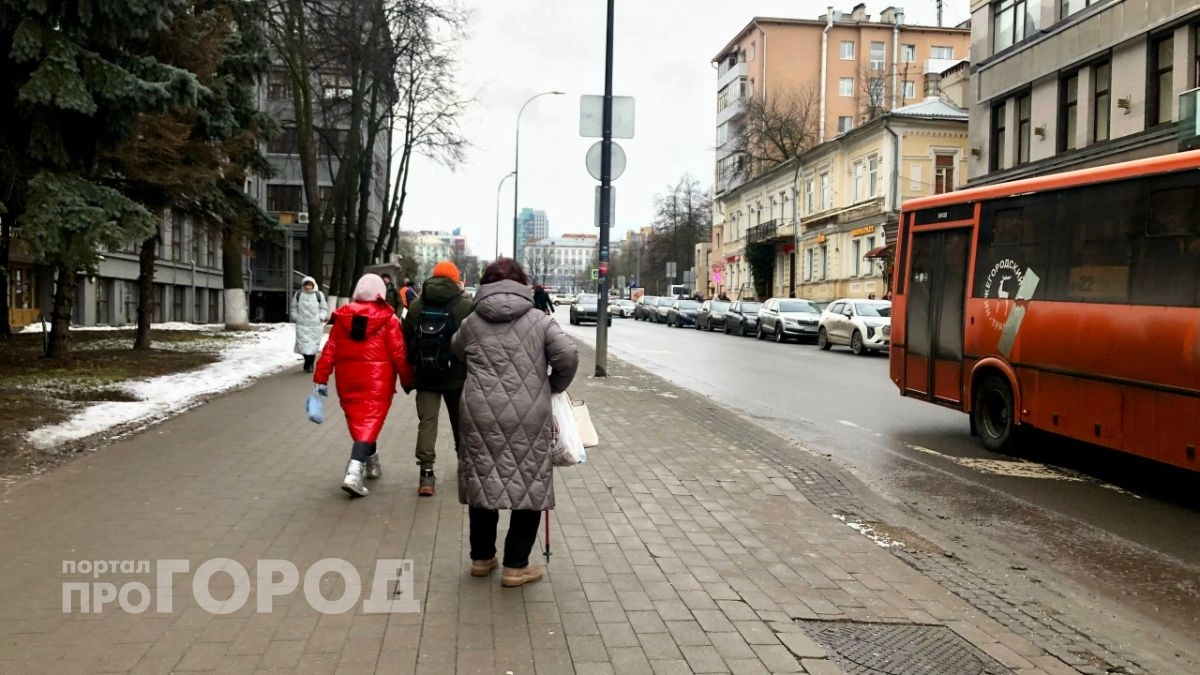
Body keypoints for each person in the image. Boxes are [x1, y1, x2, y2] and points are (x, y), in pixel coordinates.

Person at [452, 257, 579, 587]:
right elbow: (567, 355)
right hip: (528, 415)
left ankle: (481, 559)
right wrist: (552, 386)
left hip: (478, 413)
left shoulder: (471, 323)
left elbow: (456, 351)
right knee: (529, 484)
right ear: (522, 283)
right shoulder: (540, 321)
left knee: (483, 481)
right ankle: (515, 565)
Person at [314, 274, 415, 497]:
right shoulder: (388, 319)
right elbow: (399, 353)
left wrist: (321, 378)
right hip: (378, 381)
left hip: (348, 380)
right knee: (369, 421)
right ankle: (353, 472)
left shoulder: (342, 318)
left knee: (361, 421)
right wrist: (408, 379)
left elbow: (329, 351)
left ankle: (372, 462)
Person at [402, 260, 473, 496]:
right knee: (460, 422)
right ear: (455, 279)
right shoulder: (466, 305)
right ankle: (465, 467)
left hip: (425, 374)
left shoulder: (416, 305)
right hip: (457, 374)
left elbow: (408, 340)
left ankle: (426, 475)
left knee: (427, 423)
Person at [292, 277, 328, 373]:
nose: (308, 287)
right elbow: (293, 308)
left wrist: (320, 317)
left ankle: (311, 364)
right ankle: (307, 361)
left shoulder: (318, 294)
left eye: (309, 285)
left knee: (313, 345)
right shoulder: (298, 294)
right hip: (302, 324)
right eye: (306, 285)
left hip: (315, 325)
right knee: (303, 345)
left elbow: (324, 308)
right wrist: (296, 317)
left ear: (313, 285)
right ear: (303, 285)